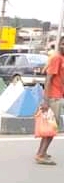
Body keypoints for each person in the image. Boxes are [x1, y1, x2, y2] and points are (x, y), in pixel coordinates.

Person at [35, 37, 64, 165]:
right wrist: (45, 100)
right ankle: (41, 154)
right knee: (52, 127)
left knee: (49, 127)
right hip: (53, 97)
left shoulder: (61, 59)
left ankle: (41, 152)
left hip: (58, 96)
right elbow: (48, 79)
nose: (63, 46)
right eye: (62, 43)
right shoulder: (56, 58)